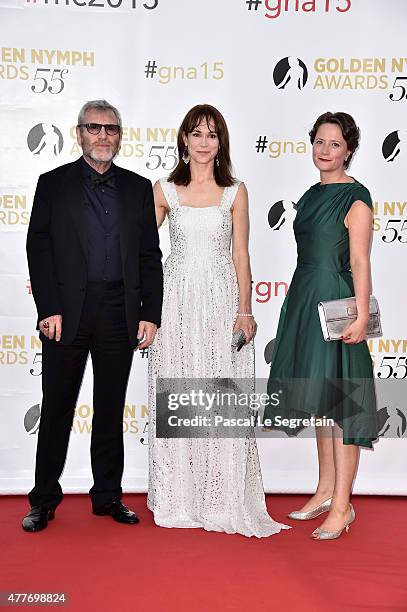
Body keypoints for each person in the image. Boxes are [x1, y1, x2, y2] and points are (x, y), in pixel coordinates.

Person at [147, 104, 290, 538]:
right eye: (196, 133)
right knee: (177, 387)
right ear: (184, 140)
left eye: (212, 134)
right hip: (175, 302)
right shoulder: (164, 190)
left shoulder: (235, 191)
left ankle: (221, 497)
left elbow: (241, 254)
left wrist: (245, 310)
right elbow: (141, 249)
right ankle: (178, 496)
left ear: (220, 142)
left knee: (219, 393)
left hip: (220, 300)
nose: (204, 142)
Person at [23, 99, 163, 532]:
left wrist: (149, 313)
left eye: (111, 129)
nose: (103, 136)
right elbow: (38, 249)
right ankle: (43, 500)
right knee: (59, 407)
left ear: (119, 137)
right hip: (66, 313)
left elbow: (148, 256)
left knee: (109, 408)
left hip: (119, 311)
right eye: (94, 128)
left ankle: (107, 497)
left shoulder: (139, 188)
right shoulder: (53, 183)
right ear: (78, 132)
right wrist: (48, 309)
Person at [264, 111, 378, 540]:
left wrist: (362, 314)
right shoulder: (311, 195)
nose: (325, 151)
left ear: (349, 149)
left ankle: (344, 506)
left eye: (334, 144)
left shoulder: (357, 198)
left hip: (338, 301)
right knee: (321, 403)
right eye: (319, 142)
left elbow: (360, 260)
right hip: (306, 298)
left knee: (343, 403)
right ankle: (326, 490)